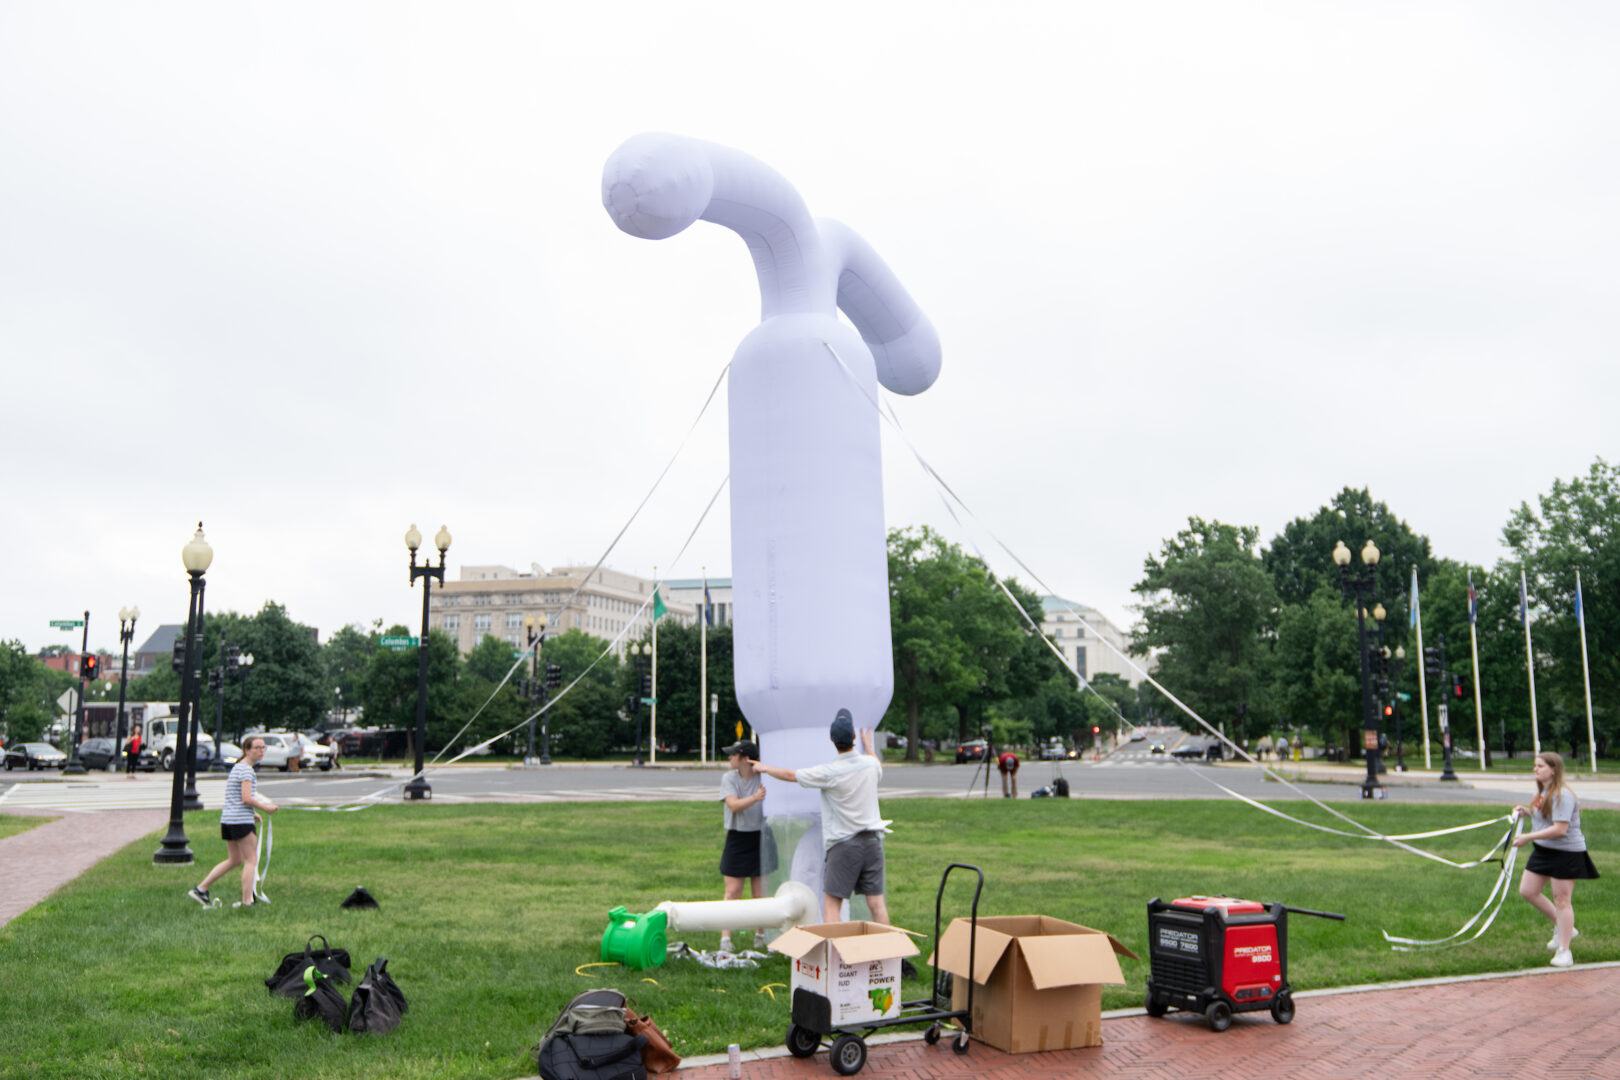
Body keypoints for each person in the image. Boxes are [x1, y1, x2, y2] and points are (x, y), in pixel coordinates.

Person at [752, 709, 891, 925]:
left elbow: (791, 775)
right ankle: (887, 955)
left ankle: (833, 956)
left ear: (831, 740)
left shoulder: (829, 772)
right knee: (876, 904)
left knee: (831, 904)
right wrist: (869, 746)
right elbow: (876, 762)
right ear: (854, 738)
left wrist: (765, 767)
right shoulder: (871, 765)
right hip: (873, 842)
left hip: (845, 845)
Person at [1513, 751, 1599, 967]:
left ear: (1553, 769)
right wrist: (1527, 811)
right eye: (1535, 765)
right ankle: (1561, 927)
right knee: (1528, 890)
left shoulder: (1563, 794)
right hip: (1544, 851)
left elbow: (1560, 829)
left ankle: (1564, 951)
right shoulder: (1544, 792)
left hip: (1566, 853)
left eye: (1540, 766)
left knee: (1562, 900)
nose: (1535, 769)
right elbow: (1546, 817)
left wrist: (1527, 837)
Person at [189, 735, 278, 908]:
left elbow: (235, 797)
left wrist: (251, 814)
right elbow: (246, 798)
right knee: (251, 860)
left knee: (235, 860)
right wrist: (265, 808)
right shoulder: (246, 770)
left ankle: (201, 889)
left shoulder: (238, 767)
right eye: (257, 748)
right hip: (239, 822)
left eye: (263, 748)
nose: (261, 751)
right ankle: (247, 901)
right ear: (247, 750)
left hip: (229, 820)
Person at [717, 738, 766, 952]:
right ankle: (725, 939)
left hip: (760, 837)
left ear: (746, 758)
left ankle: (761, 936)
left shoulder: (763, 777)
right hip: (737, 838)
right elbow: (734, 805)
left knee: (759, 893)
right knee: (733, 892)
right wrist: (755, 798)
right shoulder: (729, 778)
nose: (729, 757)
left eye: (733, 754)